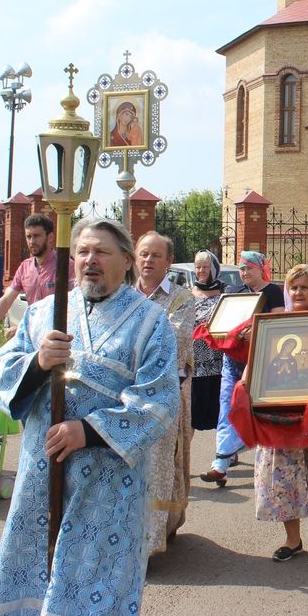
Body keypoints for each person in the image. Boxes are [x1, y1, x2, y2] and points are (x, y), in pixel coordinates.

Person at [0, 217, 178, 616]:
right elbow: (1, 371)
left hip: (107, 488)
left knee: (93, 583)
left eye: (101, 252)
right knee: (28, 571)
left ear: (125, 261)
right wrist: (38, 364)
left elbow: (159, 400)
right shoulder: (44, 312)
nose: (90, 261)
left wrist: (87, 430)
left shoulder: (150, 321)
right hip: (40, 475)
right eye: (83, 251)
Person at [249, 266, 308, 562]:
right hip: (282, 411)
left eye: (305, 287)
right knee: (283, 474)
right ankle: (293, 539)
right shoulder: (275, 323)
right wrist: (248, 383)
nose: (299, 293)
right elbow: (261, 360)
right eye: (294, 287)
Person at [133, 231, 195, 554]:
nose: (148, 261)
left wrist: (132, 338)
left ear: (169, 262)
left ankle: (153, 540)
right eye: (143, 254)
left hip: (165, 394)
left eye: (156, 255)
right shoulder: (123, 296)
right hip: (127, 395)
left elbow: (173, 341)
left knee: (162, 463)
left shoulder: (182, 299)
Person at [203, 250, 285, 486]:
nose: (244, 273)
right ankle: (220, 463)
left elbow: (278, 324)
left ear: (261, 268)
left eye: (249, 268)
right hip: (232, 360)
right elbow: (222, 321)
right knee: (227, 406)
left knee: (253, 410)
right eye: (241, 268)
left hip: (260, 359)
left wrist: (256, 331)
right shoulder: (233, 292)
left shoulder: (272, 292)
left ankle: (224, 458)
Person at [0, 213, 72, 338]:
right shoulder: (25, 267)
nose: (32, 241)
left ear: (50, 237)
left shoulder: (66, 266)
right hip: (33, 338)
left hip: (59, 338)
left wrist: (22, 328)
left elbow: (74, 308)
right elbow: (6, 300)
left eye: (36, 236)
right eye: (28, 236)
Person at [190, 251, 226, 443]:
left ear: (213, 268)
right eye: (198, 267)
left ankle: (226, 453)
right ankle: (183, 459)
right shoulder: (188, 295)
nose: (201, 271)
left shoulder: (225, 294)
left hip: (218, 363)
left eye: (205, 266)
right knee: (191, 415)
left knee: (221, 410)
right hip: (194, 365)